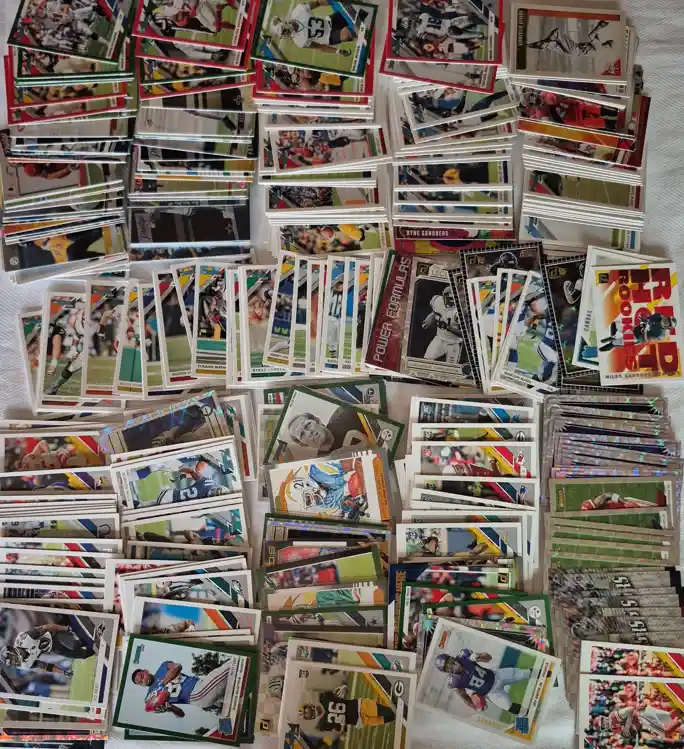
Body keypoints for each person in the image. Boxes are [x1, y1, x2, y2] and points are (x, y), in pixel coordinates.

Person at [133, 656, 236, 716]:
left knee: (237, 690)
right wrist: (169, 708)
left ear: (145, 671)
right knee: (232, 665)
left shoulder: (163, 666)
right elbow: (181, 714)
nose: (143, 681)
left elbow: (178, 666)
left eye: (142, 676)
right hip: (197, 694)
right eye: (140, 682)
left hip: (200, 683)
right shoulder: (151, 696)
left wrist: (164, 682)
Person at [435, 650, 531, 712]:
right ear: (446, 671)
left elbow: (488, 657)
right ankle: (530, 714)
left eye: (449, 662)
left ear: (451, 657)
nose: (451, 665)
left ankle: (539, 674)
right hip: (491, 693)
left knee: (524, 674)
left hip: (497, 675)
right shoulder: (454, 682)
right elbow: (465, 698)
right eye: (447, 667)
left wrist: (479, 656)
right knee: (509, 707)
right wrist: (476, 707)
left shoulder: (464, 656)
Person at [269, 0, 367, 56]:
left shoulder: (298, 12)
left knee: (351, 13)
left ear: (284, 23)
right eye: (283, 35)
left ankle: (364, 15)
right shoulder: (299, 41)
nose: (286, 34)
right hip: (329, 37)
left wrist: (332, 2)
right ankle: (363, 40)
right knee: (347, 34)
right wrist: (337, 51)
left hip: (330, 21)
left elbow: (318, 3)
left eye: (284, 31)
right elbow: (320, 47)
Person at [298, 682, 395, 731]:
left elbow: (341, 689)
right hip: (360, 721)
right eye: (306, 714)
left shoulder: (324, 698)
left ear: (310, 705)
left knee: (390, 712)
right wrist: (342, 727)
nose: (307, 712)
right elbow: (339, 729)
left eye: (306, 710)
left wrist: (344, 687)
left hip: (360, 706)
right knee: (391, 717)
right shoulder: (323, 724)